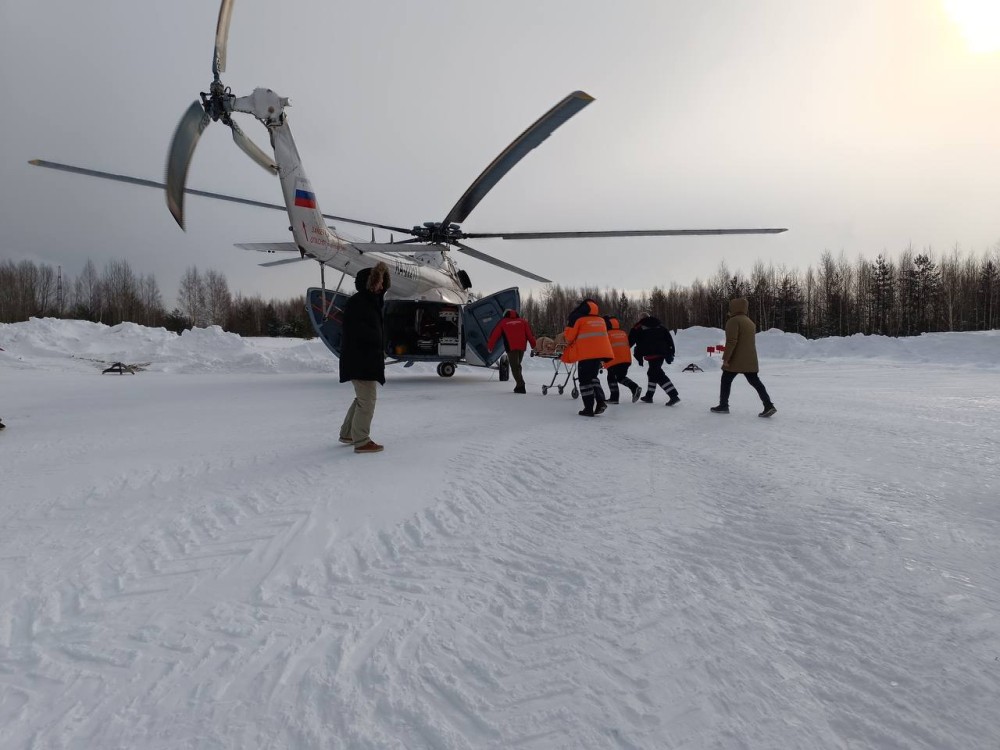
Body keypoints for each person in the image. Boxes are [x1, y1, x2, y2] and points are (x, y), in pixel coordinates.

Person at [338, 262, 390, 453]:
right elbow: (358, 333)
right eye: (379, 281)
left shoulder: (370, 302)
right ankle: (361, 441)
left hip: (363, 359)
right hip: (361, 360)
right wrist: (375, 347)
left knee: (362, 398)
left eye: (383, 281)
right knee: (367, 401)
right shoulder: (360, 303)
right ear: (371, 282)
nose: (382, 285)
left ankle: (348, 433)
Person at [711, 298, 777, 417]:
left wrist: (726, 358)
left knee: (726, 379)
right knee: (755, 382)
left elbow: (732, 341)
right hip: (750, 358)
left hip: (736, 358)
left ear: (734, 307)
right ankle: (768, 405)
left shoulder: (733, 321)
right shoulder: (749, 322)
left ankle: (723, 405)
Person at [562, 299, 613, 417]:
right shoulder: (600, 320)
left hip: (586, 353)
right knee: (593, 377)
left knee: (584, 380)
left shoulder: (579, 319)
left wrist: (567, 329)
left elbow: (569, 337)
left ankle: (588, 408)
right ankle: (600, 401)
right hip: (599, 353)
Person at [628, 311, 681, 406]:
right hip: (661, 353)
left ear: (641, 319)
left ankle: (673, 396)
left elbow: (630, 341)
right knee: (652, 372)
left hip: (651, 354)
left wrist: (623, 349)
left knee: (657, 373)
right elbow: (669, 339)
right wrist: (671, 352)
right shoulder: (660, 326)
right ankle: (649, 396)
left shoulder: (638, 327)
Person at [486, 308, 536, 394]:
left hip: (511, 347)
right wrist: (533, 345)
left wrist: (490, 347)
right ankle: (518, 385)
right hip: (521, 346)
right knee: (517, 366)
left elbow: (494, 335)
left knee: (515, 367)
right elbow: (529, 334)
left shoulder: (503, 322)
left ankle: (521, 386)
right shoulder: (523, 322)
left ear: (505, 315)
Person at [603, 315, 641, 404]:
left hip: (614, 360)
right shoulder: (623, 333)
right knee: (620, 377)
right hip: (626, 360)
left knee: (611, 378)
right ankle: (634, 387)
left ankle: (614, 398)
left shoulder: (606, 334)